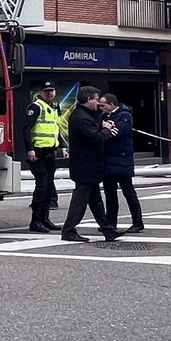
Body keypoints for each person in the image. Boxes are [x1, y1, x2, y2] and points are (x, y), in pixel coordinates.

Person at [59, 86, 121, 244]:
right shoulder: (80, 117)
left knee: (95, 200)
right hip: (85, 166)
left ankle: (108, 230)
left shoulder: (86, 115)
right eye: (96, 99)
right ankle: (68, 230)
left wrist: (102, 126)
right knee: (80, 201)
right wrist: (107, 131)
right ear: (88, 100)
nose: (98, 104)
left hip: (89, 165)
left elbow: (94, 128)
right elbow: (95, 138)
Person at [100, 94, 144, 234]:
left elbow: (118, 132)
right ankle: (110, 223)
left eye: (103, 105)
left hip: (122, 159)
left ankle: (137, 222)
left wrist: (106, 129)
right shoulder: (103, 117)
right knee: (109, 194)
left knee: (128, 192)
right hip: (107, 161)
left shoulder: (124, 115)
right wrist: (106, 127)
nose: (101, 108)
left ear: (112, 104)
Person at [22, 81, 62, 233]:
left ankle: (45, 219)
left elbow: (55, 129)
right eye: (46, 91)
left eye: (51, 90)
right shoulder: (36, 106)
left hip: (50, 152)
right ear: (41, 92)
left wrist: (60, 147)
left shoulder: (53, 107)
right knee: (42, 186)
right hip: (37, 152)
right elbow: (26, 128)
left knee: (49, 185)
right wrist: (29, 150)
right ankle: (35, 221)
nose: (49, 93)